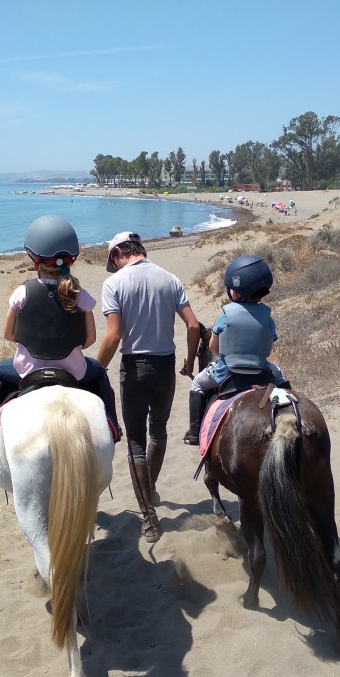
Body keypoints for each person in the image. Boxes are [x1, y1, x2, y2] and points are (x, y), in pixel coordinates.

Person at [0, 215, 120, 448]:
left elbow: (9, 335)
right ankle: (113, 427)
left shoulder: (22, 292)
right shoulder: (80, 295)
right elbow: (89, 340)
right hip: (74, 371)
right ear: (69, 262)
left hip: (27, 370)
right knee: (100, 373)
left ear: (35, 263)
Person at [97, 231, 202, 542]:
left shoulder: (114, 284)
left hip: (134, 367)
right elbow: (194, 325)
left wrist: (95, 370)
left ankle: (148, 517)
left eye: (112, 260)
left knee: (135, 444)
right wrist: (189, 360)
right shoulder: (170, 278)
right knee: (159, 431)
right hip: (165, 366)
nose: (113, 266)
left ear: (118, 252)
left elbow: (114, 336)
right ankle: (151, 489)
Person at [183, 254, 287, 445]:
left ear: (238, 291)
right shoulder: (267, 317)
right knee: (280, 377)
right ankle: (288, 410)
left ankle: (195, 432)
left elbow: (213, 346)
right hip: (260, 369)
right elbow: (269, 346)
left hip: (227, 371)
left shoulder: (226, 314)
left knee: (198, 384)